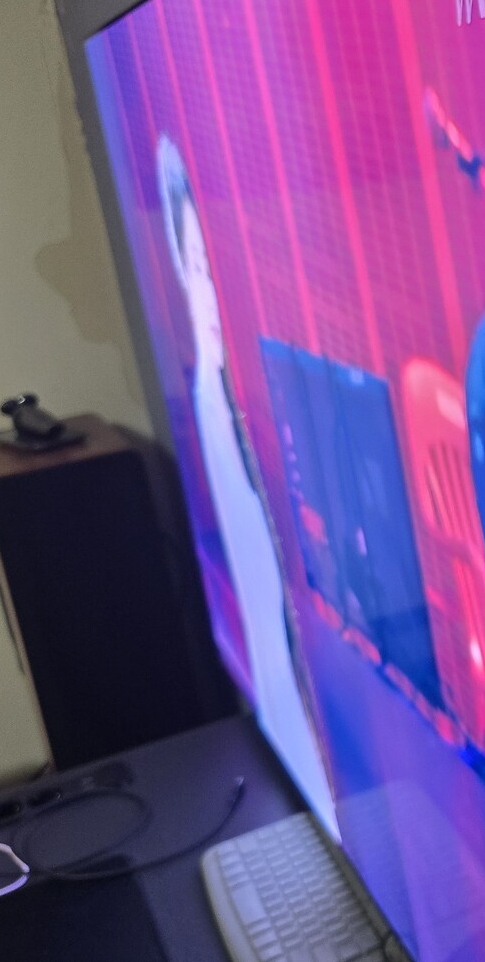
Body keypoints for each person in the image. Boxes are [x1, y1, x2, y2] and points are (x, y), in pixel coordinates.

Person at [157, 136, 335, 817]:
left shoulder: (228, 396)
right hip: (277, 697)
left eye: (210, 267)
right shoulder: (208, 399)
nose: (205, 291)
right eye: (193, 266)